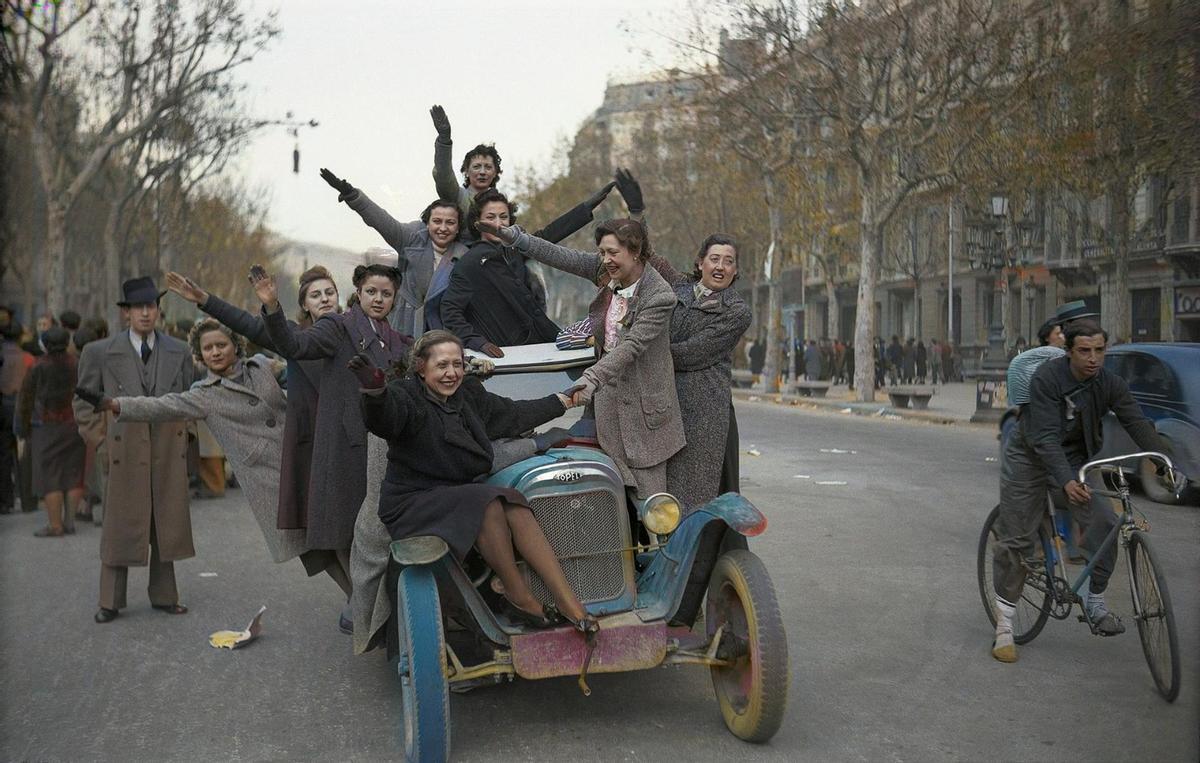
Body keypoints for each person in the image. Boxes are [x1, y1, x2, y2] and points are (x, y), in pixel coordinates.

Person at [354, 329, 596, 635]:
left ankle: (571, 605)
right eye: (441, 365)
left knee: (515, 503)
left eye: (457, 364)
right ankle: (518, 596)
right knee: (489, 504)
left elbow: (512, 414)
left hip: (456, 495)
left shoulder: (467, 395)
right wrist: (375, 394)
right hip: (413, 501)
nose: (451, 373)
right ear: (421, 367)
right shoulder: (406, 396)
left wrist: (561, 401)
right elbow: (387, 418)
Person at [80, 319, 334, 581]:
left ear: (236, 345)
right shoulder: (204, 394)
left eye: (221, 345)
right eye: (208, 348)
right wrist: (115, 404)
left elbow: (307, 377)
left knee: (335, 536)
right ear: (200, 355)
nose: (215, 352)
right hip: (272, 479)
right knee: (315, 552)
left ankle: (360, 607)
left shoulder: (262, 366)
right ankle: (356, 607)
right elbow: (162, 406)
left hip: (307, 458)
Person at [990, 320, 1173, 663]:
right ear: (1069, 351)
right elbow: (1044, 437)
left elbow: (1135, 421)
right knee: (1018, 539)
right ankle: (1005, 622)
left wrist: (1163, 461)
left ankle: (1095, 601)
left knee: (1105, 522)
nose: (1093, 359)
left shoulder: (1109, 383)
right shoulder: (1047, 378)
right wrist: (1066, 482)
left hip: (1074, 460)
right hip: (1030, 456)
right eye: (1084, 351)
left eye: (1099, 351)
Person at [480, 217, 685, 499]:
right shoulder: (607, 272)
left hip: (644, 416)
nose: (606, 260)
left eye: (613, 253)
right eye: (602, 252)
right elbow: (561, 256)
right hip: (606, 408)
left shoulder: (659, 295)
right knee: (603, 494)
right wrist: (516, 238)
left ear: (636, 251)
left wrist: (590, 378)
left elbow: (631, 346)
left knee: (650, 508)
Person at [257, 263, 410, 611]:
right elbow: (294, 344)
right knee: (344, 527)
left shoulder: (397, 340)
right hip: (345, 445)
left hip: (385, 447)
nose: (378, 299)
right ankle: (363, 604)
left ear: (394, 299)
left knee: (378, 528)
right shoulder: (337, 327)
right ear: (358, 292)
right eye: (371, 291)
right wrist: (271, 307)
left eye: (386, 294)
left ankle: (376, 605)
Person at [73, 277, 195, 623]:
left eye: (151, 306)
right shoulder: (98, 352)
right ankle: (109, 601)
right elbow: (82, 401)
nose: (145, 313)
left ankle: (165, 596)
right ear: (126, 313)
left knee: (164, 523)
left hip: (166, 452)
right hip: (121, 451)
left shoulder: (179, 350)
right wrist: (99, 440)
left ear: (158, 310)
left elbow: (189, 397)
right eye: (138, 308)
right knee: (117, 525)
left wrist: (184, 438)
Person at [647, 234, 751, 510]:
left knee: (695, 494)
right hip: (662, 405)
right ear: (700, 262)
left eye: (729, 262)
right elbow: (648, 254)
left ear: (736, 270)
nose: (720, 267)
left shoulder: (737, 312)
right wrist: (636, 212)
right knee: (657, 491)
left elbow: (694, 353)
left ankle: (696, 553)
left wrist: (643, 351)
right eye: (714, 259)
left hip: (704, 413)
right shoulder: (679, 286)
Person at [428, 105, 611, 244]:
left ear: (496, 172)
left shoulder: (501, 205)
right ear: (466, 171)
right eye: (476, 167)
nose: (482, 172)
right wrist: (444, 140)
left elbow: (541, 240)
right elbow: (444, 176)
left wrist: (584, 210)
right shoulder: (458, 197)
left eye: (487, 167)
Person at [440, 189, 562, 356]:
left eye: (503, 217)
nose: (498, 223)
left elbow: (547, 236)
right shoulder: (470, 263)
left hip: (547, 345)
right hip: (509, 357)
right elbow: (449, 309)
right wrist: (477, 341)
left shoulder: (515, 250)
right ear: (477, 222)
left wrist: (585, 208)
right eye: (491, 217)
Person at [17, 326, 86, 536]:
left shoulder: (38, 367)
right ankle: (70, 522)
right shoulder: (77, 363)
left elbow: (26, 399)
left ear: (45, 344)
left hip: (47, 427)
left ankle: (55, 525)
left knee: (50, 475)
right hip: (74, 424)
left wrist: (22, 428)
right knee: (74, 473)